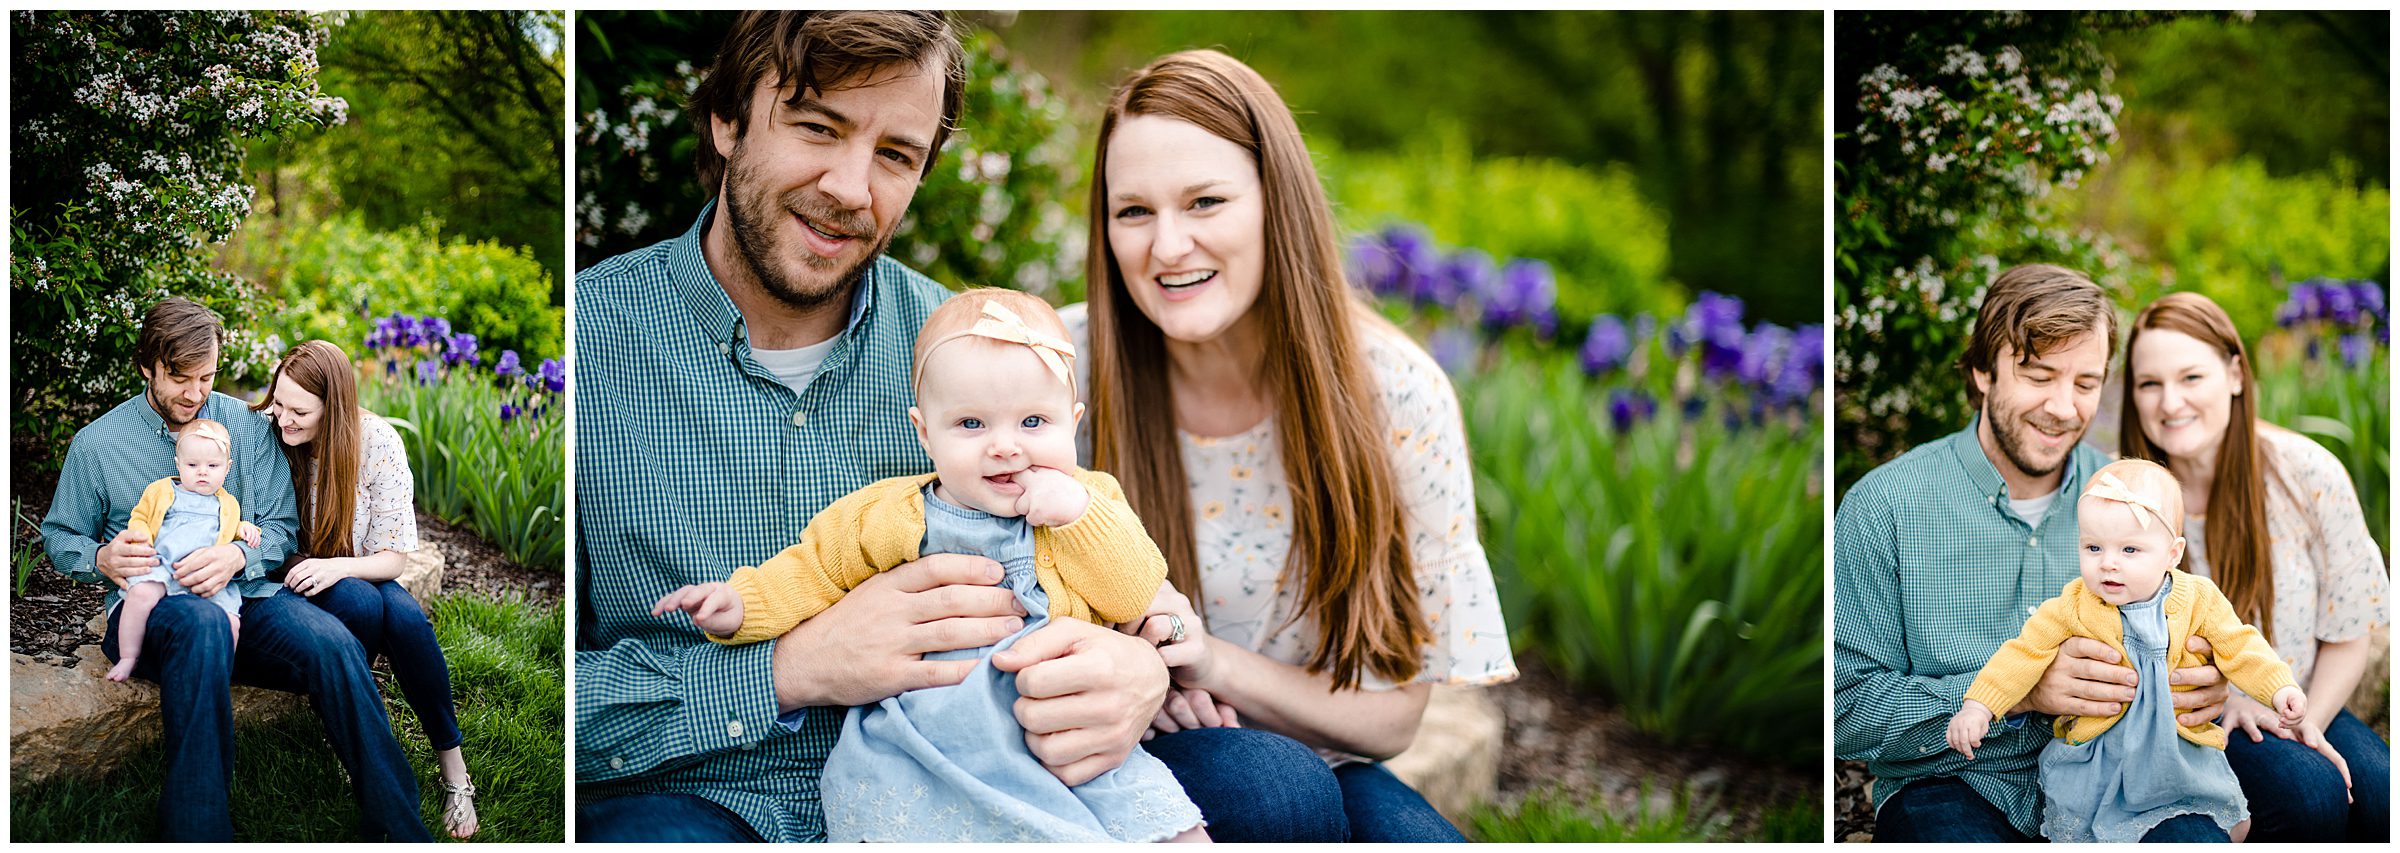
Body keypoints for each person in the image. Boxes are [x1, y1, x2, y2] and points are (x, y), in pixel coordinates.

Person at [576, 13, 1278, 842]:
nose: (849, 186)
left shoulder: (967, 351)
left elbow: (1091, 552)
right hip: (712, 793)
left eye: (895, 155)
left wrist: (1136, 667)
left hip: (993, 763)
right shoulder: (591, 341)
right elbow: (561, 697)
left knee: (1276, 791)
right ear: (727, 120)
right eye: (816, 127)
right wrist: (787, 670)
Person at [1067, 49, 1519, 843]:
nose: (1167, 246)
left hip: (1331, 760)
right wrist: (1140, 671)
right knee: (1278, 790)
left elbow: (1390, 720)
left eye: (1205, 201)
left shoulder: (1393, 394)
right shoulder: (1060, 376)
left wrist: (1205, 660)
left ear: (1278, 202)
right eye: (1133, 211)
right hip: (1111, 755)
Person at [654, 290, 1206, 843]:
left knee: (1175, 830)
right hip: (931, 746)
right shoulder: (894, 514)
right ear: (925, 432)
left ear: (1073, 420)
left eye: (1034, 421)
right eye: (971, 424)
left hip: (1065, 741)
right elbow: (814, 570)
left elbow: (1135, 592)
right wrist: (742, 605)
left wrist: (1077, 516)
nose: (1006, 447)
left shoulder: (1090, 501)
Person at [1833, 264, 2232, 843]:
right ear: (1982, 371)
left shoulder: (2132, 495)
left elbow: (2184, 623)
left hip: (2124, 778)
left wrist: (2204, 683)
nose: (2064, 408)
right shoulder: (1885, 506)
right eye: (2038, 375)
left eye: (2086, 384)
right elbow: (1844, 709)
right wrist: (2018, 693)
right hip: (1951, 783)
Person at [39, 297, 429, 842]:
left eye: (208, 377)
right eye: (180, 378)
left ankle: (399, 832)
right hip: (156, 610)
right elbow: (59, 535)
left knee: (334, 643)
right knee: (200, 627)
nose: (196, 394)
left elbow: (280, 524)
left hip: (247, 597)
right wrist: (99, 558)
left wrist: (239, 555)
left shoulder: (245, 427)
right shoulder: (97, 445)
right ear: (146, 366)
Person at [2117, 290, 2390, 841]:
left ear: (2236, 375)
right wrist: (2231, 699)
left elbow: (2348, 631)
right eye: (2150, 384)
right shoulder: (2124, 501)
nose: (2170, 403)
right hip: (2190, 719)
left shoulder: (2306, 473)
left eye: (2191, 378)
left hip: (2302, 695)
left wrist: (2306, 723)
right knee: (2310, 795)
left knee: (2384, 795)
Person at [1946, 459, 2325, 842]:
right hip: (2101, 755)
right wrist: (1981, 704)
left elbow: (2241, 646)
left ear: (2173, 553)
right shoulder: (2072, 605)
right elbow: (2023, 653)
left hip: (2176, 752)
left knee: (2210, 817)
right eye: (2093, 547)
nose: (2108, 563)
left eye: (2129, 549)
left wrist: (2279, 688)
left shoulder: (2198, 599)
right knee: (2093, 826)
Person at [251, 339, 483, 838]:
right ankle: (355, 732)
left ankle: (455, 771)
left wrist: (336, 568)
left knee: (405, 619)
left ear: (332, 409)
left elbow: (395, 558)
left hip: (349, 568)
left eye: (299, 411)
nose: (283, 419)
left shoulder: (375, 442)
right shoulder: (269, 432)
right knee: (364, 607)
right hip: (285, 571)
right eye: (278, 401)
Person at [108, 419, 262, 681]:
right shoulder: (162, 491)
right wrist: (142, 538)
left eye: (213, 466)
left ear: (227, 468)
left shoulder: (228, 503)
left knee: (231, 621)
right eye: (192, 465)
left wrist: (246, 529)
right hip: (164, 564)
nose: (202, 472)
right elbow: (140, 517)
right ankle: (128, 657)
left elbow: (231, 528)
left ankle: (219, 673)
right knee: (140, 595)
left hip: (208, 576)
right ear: (178, 464)